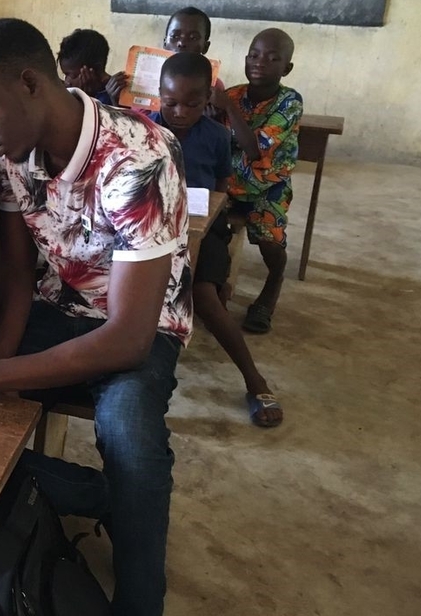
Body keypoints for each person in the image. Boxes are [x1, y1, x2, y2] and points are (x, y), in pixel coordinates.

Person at [0, 19, 189, 616]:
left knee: (132, 442)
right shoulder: (11, 155)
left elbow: (128, 340)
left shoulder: (139, 159)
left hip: (138, 329)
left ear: (30, 83)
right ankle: (106, 498)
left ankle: (138, 606)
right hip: (54, 311)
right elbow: (20, 278)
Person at [148, 53, 283, 427]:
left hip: (203, 228)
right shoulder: (144, 130)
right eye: (170, 102)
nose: (179, 112)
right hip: (152, 227)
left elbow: (222, 184)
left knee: (204, 295)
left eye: (192, 104)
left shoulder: (217, 136)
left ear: (208, 97)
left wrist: (213, 219)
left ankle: (254, 380)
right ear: (158, 94)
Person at [213, 28, 302, 334]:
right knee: (211, 232)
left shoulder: (289, 102)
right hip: (230, 186)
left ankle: (273, 281)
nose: (260, 62)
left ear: (286, 68)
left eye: (272, 57)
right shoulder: (234, 94)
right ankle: (216, 292)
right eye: (254, 55)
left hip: (268, 187)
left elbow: (253, 149)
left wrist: (226, 108)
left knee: (269, 242)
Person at [106, 6, 222, 115]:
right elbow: (134, 123)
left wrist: (209, 119)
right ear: (165, 42)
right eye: (175, 36)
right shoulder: (139, 77)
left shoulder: (213, 86)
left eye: (193, 38)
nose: (181, 43)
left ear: (205, 46)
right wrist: (116, 100)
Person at [57, 28, 114, 105]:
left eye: (70, 75)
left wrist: (87, 98)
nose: (67, 82)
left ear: (93, 69)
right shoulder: (74, 93)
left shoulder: (114, 96)